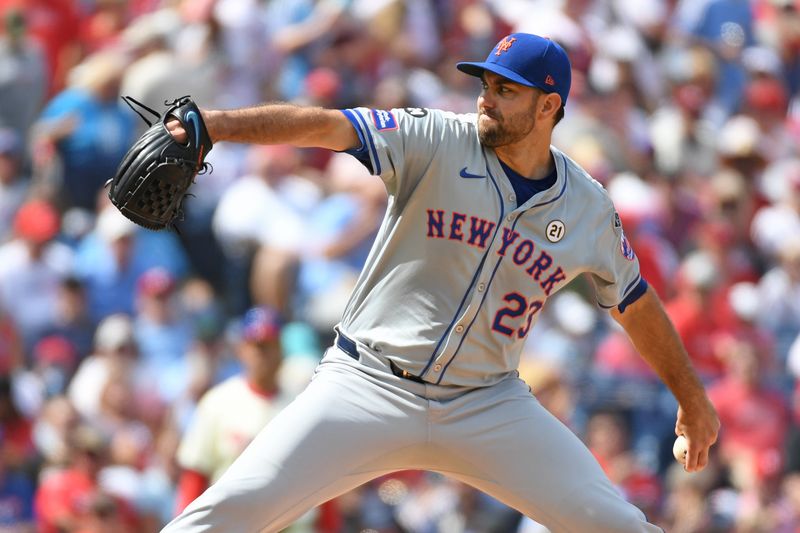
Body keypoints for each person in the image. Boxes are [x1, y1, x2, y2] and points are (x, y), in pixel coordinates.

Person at [161, 33, 719, 532]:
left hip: (487, 404)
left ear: (549, 106)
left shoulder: (587, 208)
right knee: (228, 512)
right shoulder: (436, 138)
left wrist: (692, 399)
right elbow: (328, 125)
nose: (486, 96)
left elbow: (634, 302)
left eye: (507, 89)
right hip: (368, 383)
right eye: (486, 83)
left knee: (617, 525)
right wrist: (218, 125)